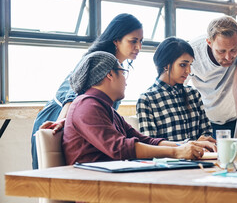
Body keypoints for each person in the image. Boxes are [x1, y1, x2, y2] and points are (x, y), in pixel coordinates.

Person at [31, 13, 143, 169]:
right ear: (116, 40)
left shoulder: (117, 71)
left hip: (78, 118)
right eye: (133, 41)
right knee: (50, 178)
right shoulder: (95, 60)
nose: (138, 47)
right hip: (59, 114)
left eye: (140, 41)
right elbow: (72, 97)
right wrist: (62, 121)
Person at [63, 51, 215, 164]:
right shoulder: (87, 106)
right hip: (96, 189)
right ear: (110, 74)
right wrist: (177, 152)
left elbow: (144, 140)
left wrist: (186, 145)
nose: (126, 81)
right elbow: (120, 148)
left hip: (113, 181)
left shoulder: (103, 107)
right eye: (123, 73)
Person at [188, 15, 237, 138]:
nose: (228, 57)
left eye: (234, 50)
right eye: (221, 51)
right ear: (209, 43)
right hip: (205, 122)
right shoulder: (192, 52)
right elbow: (177, 87)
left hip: (235, 118)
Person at [136, 37, 214, 142]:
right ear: (166, 65)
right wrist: (188, 146)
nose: (188, 71)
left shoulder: (193, 94)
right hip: (167, 158)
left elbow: (207, 133)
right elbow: (150, 144)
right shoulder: (147, 99)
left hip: (201, 157)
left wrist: (203, 141)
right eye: (183, 65)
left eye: (190, 64)